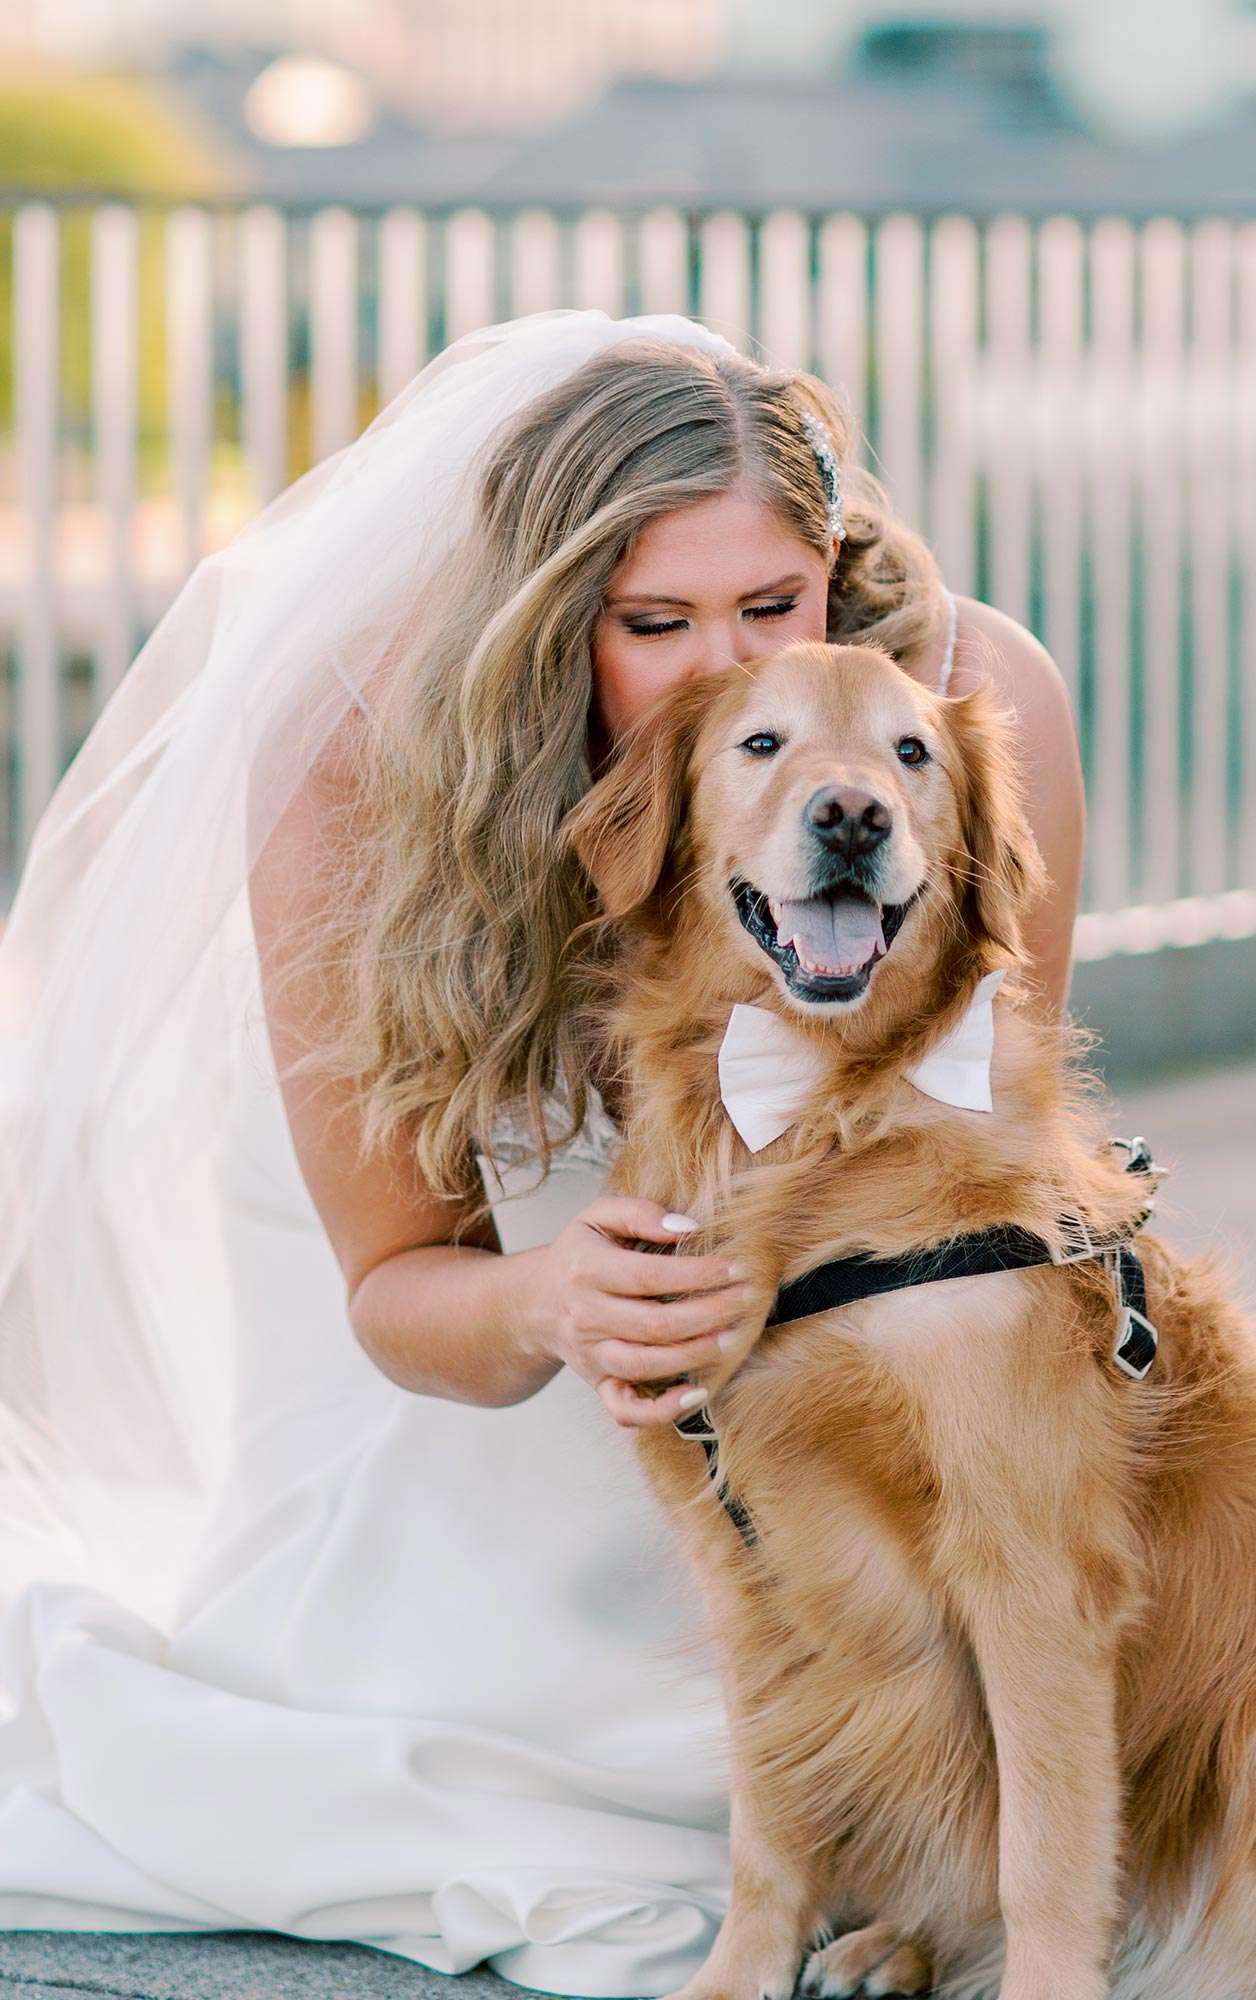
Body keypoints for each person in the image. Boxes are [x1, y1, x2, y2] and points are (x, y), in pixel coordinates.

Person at [0, 309, 1082, 1995]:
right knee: (477, 1799)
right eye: (654, 624)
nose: (725, 669)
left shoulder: (968, 709)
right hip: (458, 1403)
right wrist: (553, 1302)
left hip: (829, 1423)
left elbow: (998, 1178)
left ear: (836, 568)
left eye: (771, 606)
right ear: (543, 613)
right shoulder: (351, 755)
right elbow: (392, 1290)